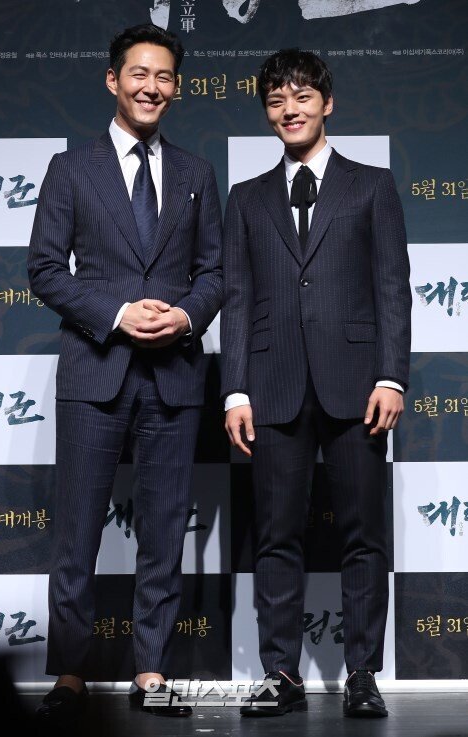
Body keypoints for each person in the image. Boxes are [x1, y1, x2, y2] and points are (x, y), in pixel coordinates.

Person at [27, 22, 222, 724]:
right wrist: (115, 313)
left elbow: (215, 272)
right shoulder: (71, 168)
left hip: (174, 375)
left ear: (177, 88)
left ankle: (151, 671)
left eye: (164, 76)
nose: (151, 86)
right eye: (139, 73)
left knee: (164, 532)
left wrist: (186, 317)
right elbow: (45, 270)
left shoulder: (197, 174)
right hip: (95, 370)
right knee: (77, 531)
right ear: (114, 80)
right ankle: (71, 672)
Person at [220, 48, 411, 718]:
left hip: (358, 384)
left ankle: (362, 672)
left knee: (364, 534)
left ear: (327, 103)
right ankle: (280, 671)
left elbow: (392, 288)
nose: (289, 109)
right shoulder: (245, 198)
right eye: (276, 100)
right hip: (272, 385)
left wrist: (392, 375)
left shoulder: (372, 186)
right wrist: (235, 389)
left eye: (301, 97)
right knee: (276, 535)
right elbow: (236, 299)